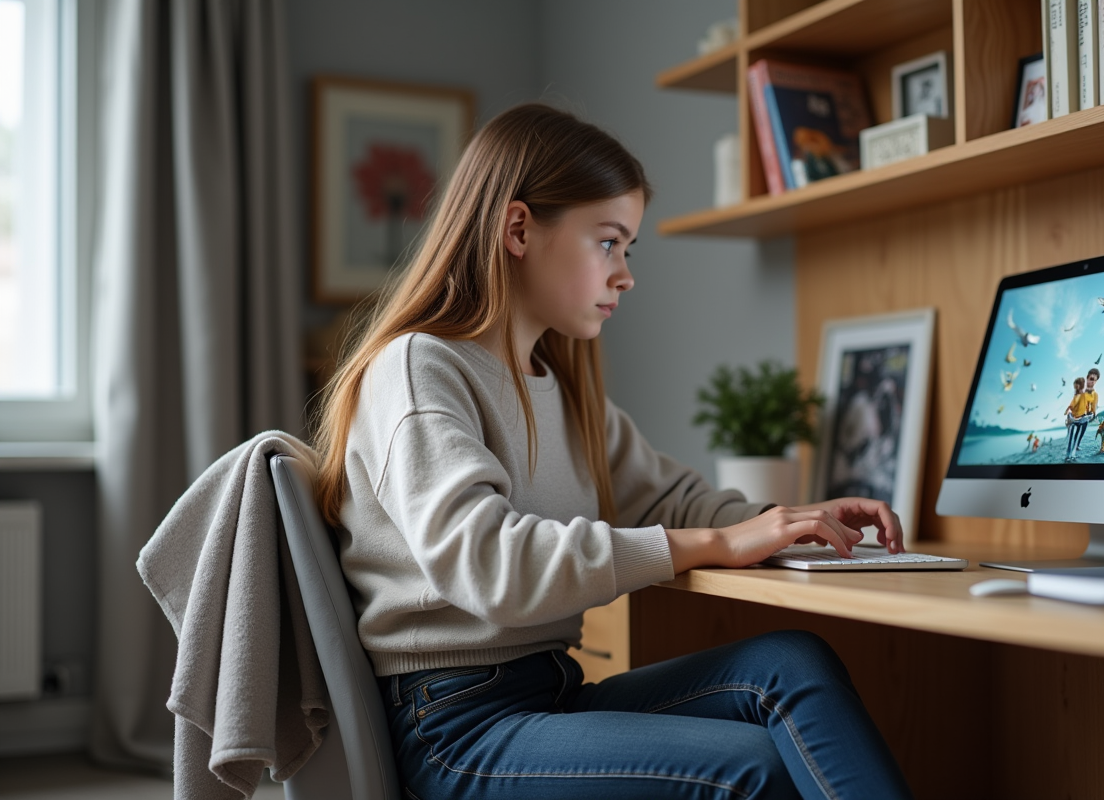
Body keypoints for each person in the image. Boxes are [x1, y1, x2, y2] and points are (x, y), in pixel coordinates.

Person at [312, 103, 913, 800]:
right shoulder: (418, 368)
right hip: (454, 728)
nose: (625, 274)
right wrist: (713, 542)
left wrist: (793, 517)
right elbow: (487, 565)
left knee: (791, 661)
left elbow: (671, 498)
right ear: (518, 229)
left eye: (628, 248)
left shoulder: (559, 390)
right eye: (608, 243)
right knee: (752, 769)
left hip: (549, 691)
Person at [1064, 376, 1088, 461]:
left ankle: (1075, 449)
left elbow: (1085, 406)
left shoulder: (1084, 395)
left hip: (1082, 418)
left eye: (1077, 384)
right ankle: (1069, 455)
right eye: (1075, 384)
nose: (1075, 385)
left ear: (1080, 385)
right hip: (1074, 419)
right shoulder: (1076, 396)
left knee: (1078, 435)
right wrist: (1067, 410)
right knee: (1072, 437)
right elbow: (1072, 405)